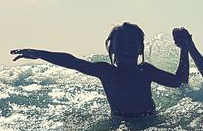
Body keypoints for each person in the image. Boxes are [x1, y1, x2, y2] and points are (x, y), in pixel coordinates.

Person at [11, 22, 190, 116]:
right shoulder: (107, 72)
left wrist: (184, 48)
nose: (126, 48)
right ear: (111, 49)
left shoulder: (146, 71)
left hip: (151, 121)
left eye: (131, 43)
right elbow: (72, 61)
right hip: (120, 122)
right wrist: (40, 54)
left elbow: (179, 81)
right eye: (121, 44)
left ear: (140, 49)